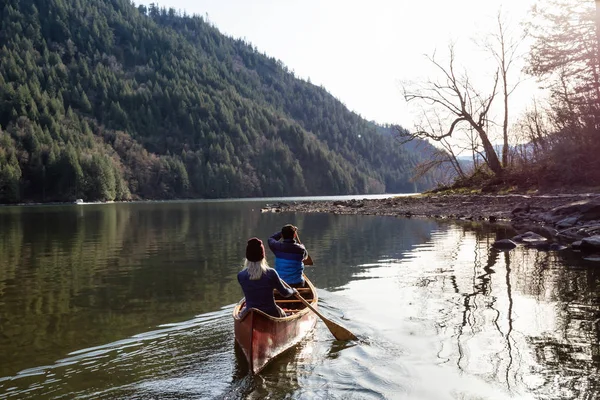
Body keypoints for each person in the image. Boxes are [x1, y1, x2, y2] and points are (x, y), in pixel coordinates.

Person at [237, 237, 297, 318]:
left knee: (240, 315)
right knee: (283, 314)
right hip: (271, 312)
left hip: (250, 312)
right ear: (262, 256)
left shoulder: (241, 275)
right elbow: (285, 293)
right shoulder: (271, 273)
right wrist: (292, 291)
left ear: (247, 257)